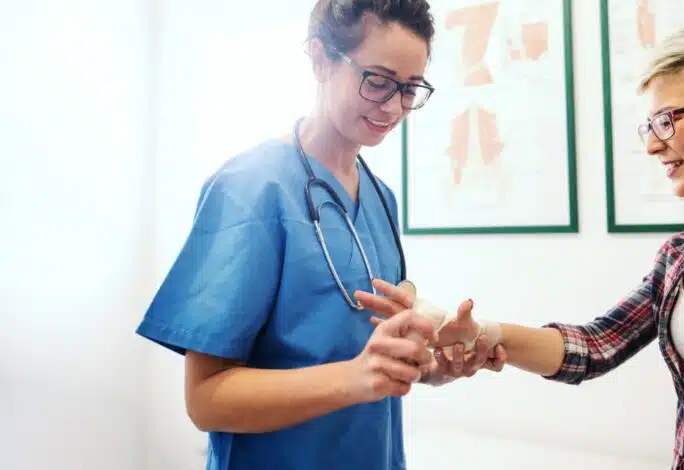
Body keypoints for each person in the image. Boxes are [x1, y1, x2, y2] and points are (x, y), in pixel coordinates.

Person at [355, 17, 684, 469]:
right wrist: (478, 331)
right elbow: (594, 346)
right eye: (649, 125)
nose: (654, 143)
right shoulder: (682, 254)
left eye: (667, 119)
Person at [134, 1, 499, 468]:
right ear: (321, 58)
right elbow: (206, 399)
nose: (393, 107)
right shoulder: (250, 189)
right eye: (378, 81)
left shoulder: (380, 198)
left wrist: (428, 365)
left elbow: (357, 349)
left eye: (410, 89)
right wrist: (357, 377)